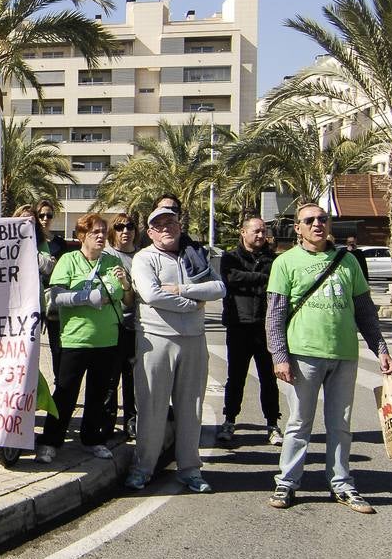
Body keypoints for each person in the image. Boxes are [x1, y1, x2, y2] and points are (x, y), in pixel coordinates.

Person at [265, 202, 392, 513]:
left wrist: (381, 348)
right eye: (309, 220)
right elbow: (275, 315)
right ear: (297, 228)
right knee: (299, 423)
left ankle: (342, 483)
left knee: (341, 423)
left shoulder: (348, 261)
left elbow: (365, 311)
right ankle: (287, 482)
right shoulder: (285, 263)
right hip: (304, 354)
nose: (317, 224)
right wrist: (279, 355)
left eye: (322, 219)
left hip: (344, 354)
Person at [124, 205, 225, 493]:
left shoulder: (195, 257)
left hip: (194, 339)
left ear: (180, 226)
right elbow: (151, 294)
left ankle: (190, 469)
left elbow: (218, 289)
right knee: (152, 407)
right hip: (155, 340)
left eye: (171, 222)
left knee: (191, 409)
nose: (166, 228)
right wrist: (194, 304)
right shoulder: (144, 258)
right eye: (159, 224)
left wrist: (182, 291)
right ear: (151, 232)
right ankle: (143, 468)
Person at [36, 214, 126, 463]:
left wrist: (105, 291)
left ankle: (92, 439)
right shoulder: (69, 260)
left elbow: (117, 291)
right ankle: (51, 441)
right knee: (65, 393)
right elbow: (57, 296)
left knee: (98, 395)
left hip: (106, 339)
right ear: (81, 236)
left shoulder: (111, 260)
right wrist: (88, 298)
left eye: (103, 231)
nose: (100, 236)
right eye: (95, 232)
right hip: (76, 339)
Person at [218, 215, 282, 447]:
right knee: (235, 377)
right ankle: (229, 420)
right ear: (242, 232)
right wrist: (262, 279)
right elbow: (231, 278)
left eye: (263, 231)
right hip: (238, 326)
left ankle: (273, 423)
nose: (260, 235)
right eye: (255, 231)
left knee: (269, 378)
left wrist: (253, 280)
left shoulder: (273, 260)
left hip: (265, 327)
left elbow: (276, 283)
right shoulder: (230, 258)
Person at [99, 214, 139, 441]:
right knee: (110, 378)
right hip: (114, 325)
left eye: (130, 226)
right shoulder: (107, 257)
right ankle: (107, 422)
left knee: (132, 377)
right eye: (120, 227)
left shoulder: (143, 256)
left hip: (137, 327)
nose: (125, 231)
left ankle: (131, 422)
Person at [34, 199, 70, 374]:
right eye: (41, 215)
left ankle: (58, 384)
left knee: (57, 346)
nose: (45, 218)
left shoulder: (60, 243)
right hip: (35, 298)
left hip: (54, 299)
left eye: (49, 215)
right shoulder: (30, 241)